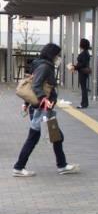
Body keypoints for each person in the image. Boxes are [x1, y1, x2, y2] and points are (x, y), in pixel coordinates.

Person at [13, 43, 79, 177]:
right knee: (40, 137)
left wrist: (27, 102)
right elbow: (36, 85)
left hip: (42, 108)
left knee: (55, 137)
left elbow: (32, 86)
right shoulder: (44, 67)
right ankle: (19, 167)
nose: (58, 58)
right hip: (42, 109)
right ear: (52, 55)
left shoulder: (39, 64)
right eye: (57, 55)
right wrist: (44, 99)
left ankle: (62, 165)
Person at [73, 38, 91, 109]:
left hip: (82, 72)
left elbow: (82, 64)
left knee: (83, 88)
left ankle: (84, 103)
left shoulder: (84, 53)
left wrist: (75, 67)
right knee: (84, 88)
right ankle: (84, 103)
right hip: (83, 72)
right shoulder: (86, 53)